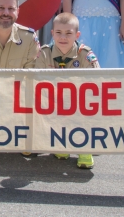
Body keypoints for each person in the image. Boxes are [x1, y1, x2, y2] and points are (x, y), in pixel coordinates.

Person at [36, 12, 100, 169]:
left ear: (77, 35)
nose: (63, 37)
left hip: (79, 102)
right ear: (52, 33)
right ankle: (62, 144)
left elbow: (97, 82)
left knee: (85, 113)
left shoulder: (85, 55)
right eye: (58, 33)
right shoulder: (44, 53)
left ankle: (85, 149)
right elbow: (36, 81)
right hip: (54, 101)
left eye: (68, 33)